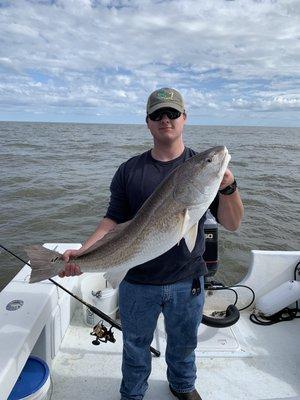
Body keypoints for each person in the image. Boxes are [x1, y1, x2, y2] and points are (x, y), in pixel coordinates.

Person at [59, 88, 244, 400]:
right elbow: (112, 221)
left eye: (172, 113)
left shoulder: (201, 170)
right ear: (148, 122)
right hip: (137, 281)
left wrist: (228, 186)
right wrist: (82, 253)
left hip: (188, 281)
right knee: (134, 348)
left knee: (184, 344)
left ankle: (182, 387)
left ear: (184, 119)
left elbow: (232, 223)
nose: (165, 119)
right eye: (157, 114)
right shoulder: (129, 170)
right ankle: (132, 394)